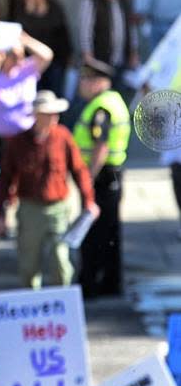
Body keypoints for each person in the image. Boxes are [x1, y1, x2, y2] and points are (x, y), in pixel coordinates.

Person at [0, 90, 97, 289]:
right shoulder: (18, 142)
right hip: (29, 209)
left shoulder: (63, 137)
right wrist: (1, 213)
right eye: (48, 113)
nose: (54, 117)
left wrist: (88, 200)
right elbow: (6, 178)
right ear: (36, 115)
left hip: (58, 208)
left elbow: (79, 170)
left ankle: (62, 303)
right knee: (29, 265)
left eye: (55, 113)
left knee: (60, 260)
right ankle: (34, 307)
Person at [71, 58, 131, 299]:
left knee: (95, 235)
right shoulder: (113, 100)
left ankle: (92, 284)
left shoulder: (101, 108)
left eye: (85, 79)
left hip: (102, 178)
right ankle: (110, 283)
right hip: (112, 177)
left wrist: (87, 179)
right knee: (109, 233)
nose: (81, 84)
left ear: (98, 82)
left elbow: (100, 146)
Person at [0, 31, 53, 142]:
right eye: (14, 56)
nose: (19, 60)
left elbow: (47, 55)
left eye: (22, 56)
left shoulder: (27, 70)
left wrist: (26, 41)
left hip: (24, 136)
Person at [79, 0, 138, 86]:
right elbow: (85, 30)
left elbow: (131, 28)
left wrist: (133, 51)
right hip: (99, 62)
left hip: (121, 60)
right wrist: (88, 55)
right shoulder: (92, 1)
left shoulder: (123, 0)